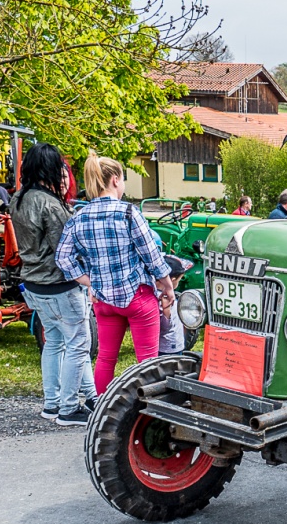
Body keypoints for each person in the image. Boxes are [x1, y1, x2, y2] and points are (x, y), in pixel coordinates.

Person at [56, 152, 174, 395]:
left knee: (106, 359)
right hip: (137, 297)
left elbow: (62, 258)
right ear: (115, 180)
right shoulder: (129, 213)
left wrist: (90, 281)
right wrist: (167, 287)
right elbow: (152, 256)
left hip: (103, 301)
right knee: (147, 361)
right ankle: (144, 414)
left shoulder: (79, 218)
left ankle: (103, 410)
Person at [11, 143, 96, 426]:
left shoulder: (19, 198)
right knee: (77, 344)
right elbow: (66, 250)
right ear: (50, 168)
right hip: (60, 284)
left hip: (34, 283)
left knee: (56, 342)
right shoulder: (50, 204)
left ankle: (53, 403)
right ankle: (69, 408)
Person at [158, 255, 191, 356]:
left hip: (168, 346)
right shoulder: (165, 298)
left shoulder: (154, 293)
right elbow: (165, 327)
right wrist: (166, 309)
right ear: (172, 280)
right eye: (179, 279)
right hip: (169, 347)